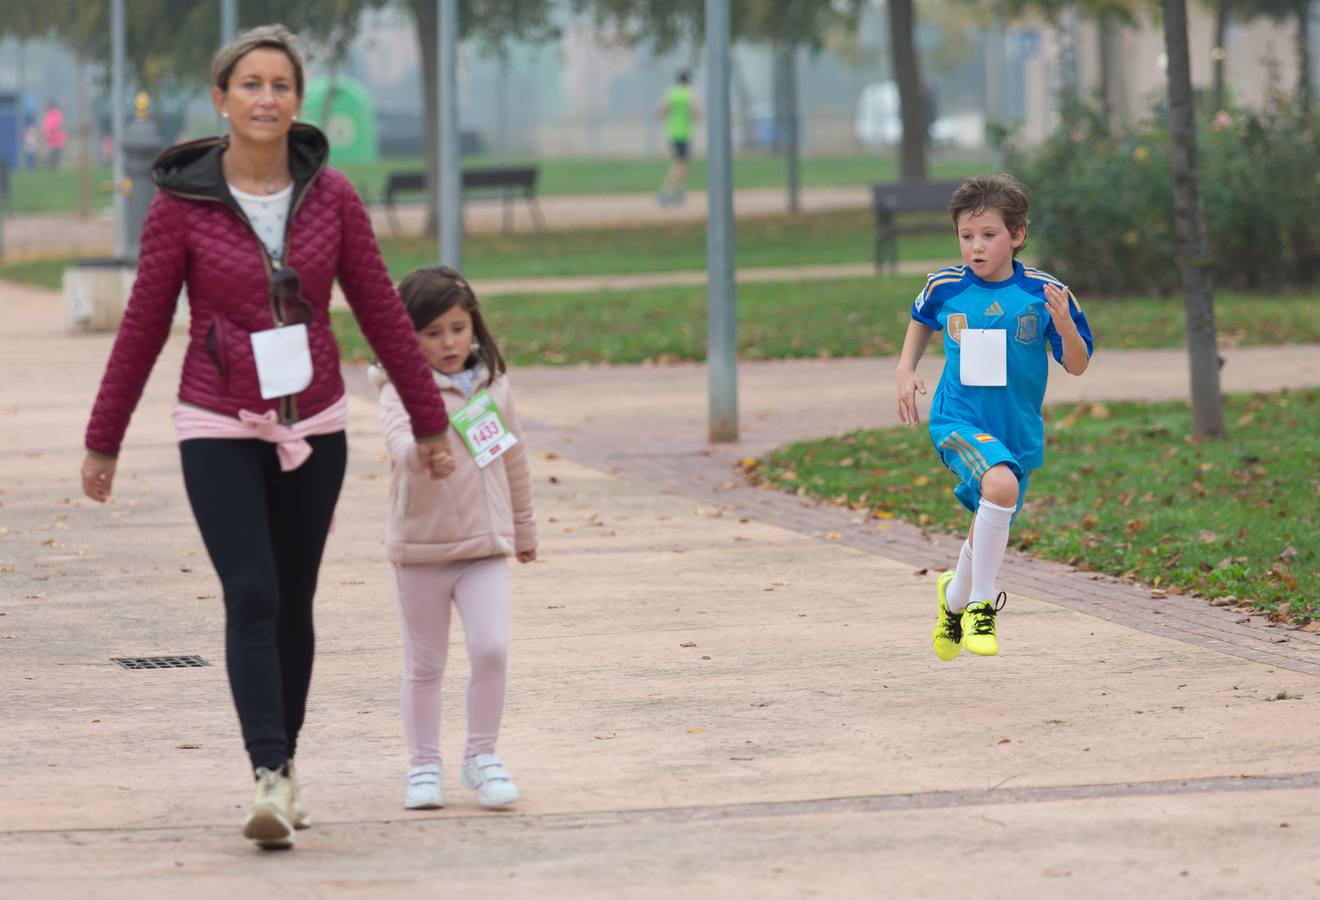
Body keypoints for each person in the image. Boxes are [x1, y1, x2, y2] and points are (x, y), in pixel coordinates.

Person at [80, 24, 455, 851]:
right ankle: (270, 773)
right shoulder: (182, 207)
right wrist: (102, 439)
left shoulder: (335, 200)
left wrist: (431, 421)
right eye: (249, 84)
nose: (265, 98)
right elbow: (143, 324)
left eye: (280, 85)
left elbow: (384, 313)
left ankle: (285, 770)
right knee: (251, 590)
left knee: (293, 598)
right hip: (216, 420)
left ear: (297, 100)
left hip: (315, 422)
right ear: (221, 100)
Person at [894, 173, 1093, 659]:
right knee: (999, 487)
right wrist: (905, 371)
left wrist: (1065, 326)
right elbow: (920, 321)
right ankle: (983, 605)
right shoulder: (945, 287)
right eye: (967, 237)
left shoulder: (1046, 294)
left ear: (1018, 235)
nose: (975, 248)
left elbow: (1077, 363)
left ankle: (954, 598)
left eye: (988, 236)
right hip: (958, 416)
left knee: (990, 516)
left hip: (1017, 428)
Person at [371, 265, 536, 812]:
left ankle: (482, 757)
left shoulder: (493, 387)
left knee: (492, 648)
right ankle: (423, 767)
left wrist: (524, 527)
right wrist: (426, 449)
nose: (449, 342)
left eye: (459, 328)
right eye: (434, 331)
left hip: (484, 547)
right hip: (421, 552)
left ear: (475, 327)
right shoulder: (397, 391)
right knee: (426, 666)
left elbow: (511, 459)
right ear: (408, 336)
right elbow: (399, 444)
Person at [656, 70, 700, 207]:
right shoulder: (689, 93)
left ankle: (679, 192)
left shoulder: (671, 93)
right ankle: (666, 191)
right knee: (681, 164)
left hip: (672, 132)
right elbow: (695, 111)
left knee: (679, 162)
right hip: (684, 133)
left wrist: (670, 117)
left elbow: (660, 111)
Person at [42, 101, 67, 169]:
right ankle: (50, 168)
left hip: (58, 139)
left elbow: (59, 126)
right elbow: (46, 127)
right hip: (51, 140)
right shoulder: (47, 115)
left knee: (56, 155)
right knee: (50, 156)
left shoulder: (57, 114)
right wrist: (46, 135)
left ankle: (54, 167)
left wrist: (53, 130)